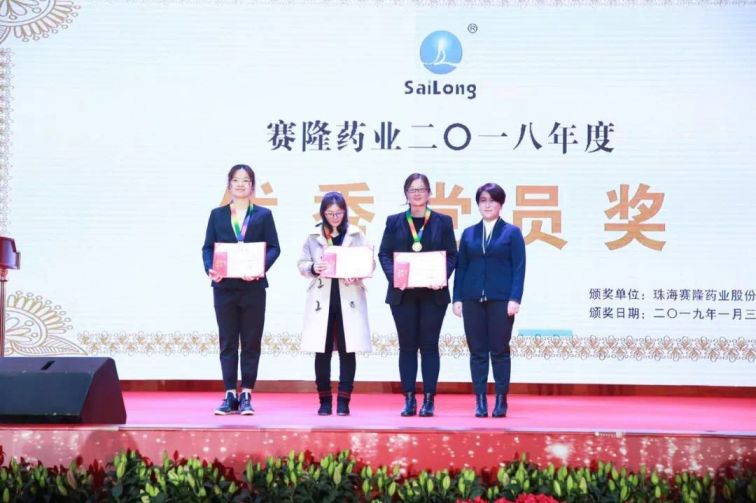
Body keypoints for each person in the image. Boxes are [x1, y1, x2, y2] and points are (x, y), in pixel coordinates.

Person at [202, 164, 281, 415]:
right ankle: (229, 395)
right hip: (224, 287)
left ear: (252, 186)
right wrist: (210, 268)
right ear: (229, 185)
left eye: (245, 180)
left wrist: (260, 268)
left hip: (253, 287)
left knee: (250, 342)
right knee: (227, 342)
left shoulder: (263, 215)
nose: (240, 184)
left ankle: (246, 393)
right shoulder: (217, 215)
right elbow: (208, 247)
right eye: (235, 180)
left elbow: (274, 247)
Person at [378, 173, 457, 417]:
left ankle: (429, 399)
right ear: (406, 194)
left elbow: (452, 255)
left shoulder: (443, 221)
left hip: (434, 295)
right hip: (403, 295)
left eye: (422, 189)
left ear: (429, 193)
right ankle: (409, 398)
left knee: (430, 346)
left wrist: (441, 277)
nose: (417, 193)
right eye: (413, 189)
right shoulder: (394, 221)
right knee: (407, 347)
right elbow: (384, 254)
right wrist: (396, 278)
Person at [452, 183, 525, 418]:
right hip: (472, 298)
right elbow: (461, 267)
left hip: (501, 300)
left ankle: (501, 399)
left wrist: (515, 298)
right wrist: (457, 298)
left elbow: (519, 268)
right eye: (483, 200)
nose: (487, 205)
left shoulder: (511, 233)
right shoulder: (469, 233)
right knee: (477, 352)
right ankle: (480, 400)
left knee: (500, 350)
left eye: (492, 200)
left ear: (500, 204)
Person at [298, 192, 373, 416]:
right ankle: (324, 401)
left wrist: (357, 273)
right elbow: (301, 263)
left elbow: (370, 263)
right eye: (330, 213)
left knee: (348, 351)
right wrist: (313, 268)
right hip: (322, 299)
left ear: (345, 212)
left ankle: (343, 401)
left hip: (349, 299)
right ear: (323, 213)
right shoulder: (313, 236)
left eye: (338, 213)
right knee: (321, 351)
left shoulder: (356, 234)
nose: (334, 217)